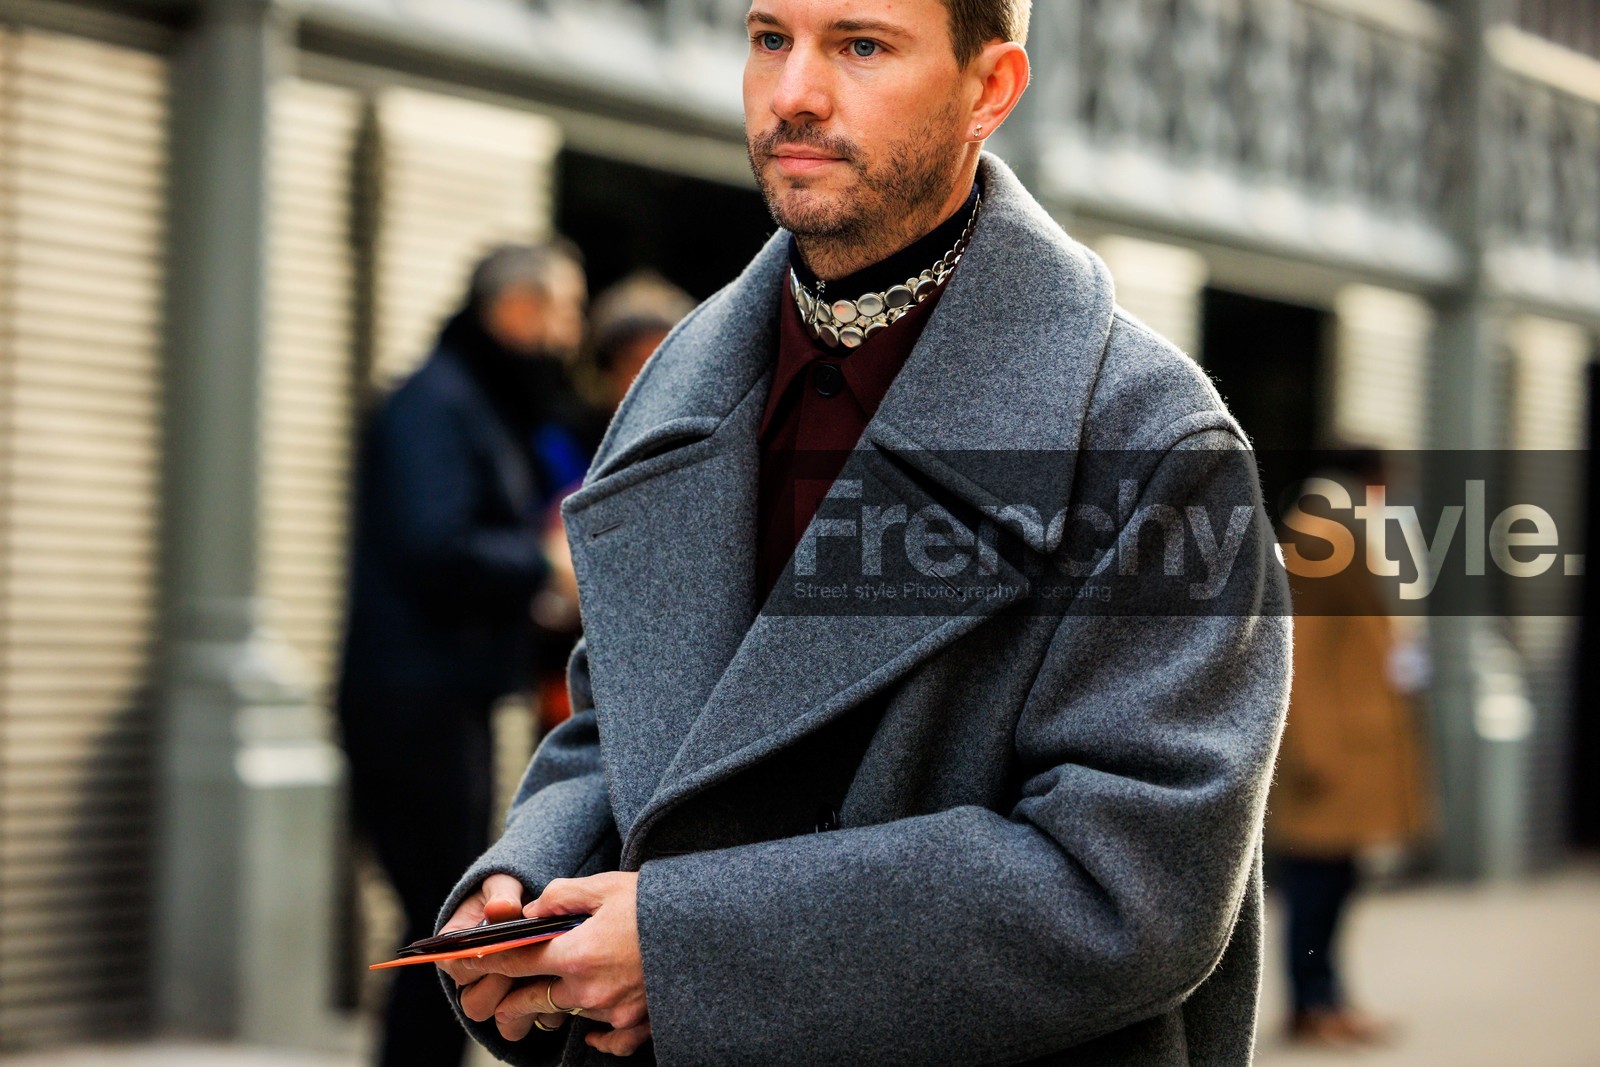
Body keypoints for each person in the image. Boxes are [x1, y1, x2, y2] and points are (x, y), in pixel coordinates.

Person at [434, 2, 1292, 1064]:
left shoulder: (1149, 435)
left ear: (989, 89)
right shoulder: (682, 382)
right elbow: (626, 723)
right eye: (767, 38)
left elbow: (1132, 881)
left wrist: (689, 948)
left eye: (860, 44)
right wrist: (528, 888)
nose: (792, 92)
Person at [337, 242, 589, 1067]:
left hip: (444, 698)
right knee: (439, 934)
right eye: (565, 310)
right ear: (518, 308)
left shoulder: (470, 398)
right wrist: (545, 562)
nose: (572, 331)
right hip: (413, 706)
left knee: (441, 930)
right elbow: (436, 546)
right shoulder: (437, 405)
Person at [1269, 452, 1432, 1048]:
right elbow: (1301, 649)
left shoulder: (1346, 528)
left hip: (1351, 741)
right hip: (1332, 745)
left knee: (1337, 878)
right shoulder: (1324, 532)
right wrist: (1311, 747)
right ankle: (1312, 1004)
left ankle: (1328, 999)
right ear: (1374, 479)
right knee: (1317, 881)